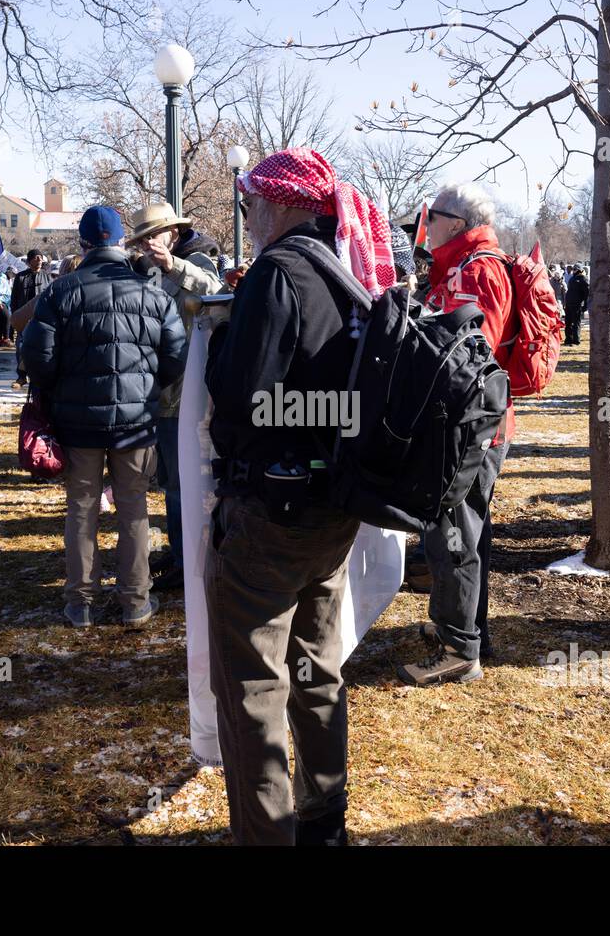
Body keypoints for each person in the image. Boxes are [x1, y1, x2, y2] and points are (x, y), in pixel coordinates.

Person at [205, 147, 395, 844]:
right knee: (319, 669)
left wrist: (224, 342)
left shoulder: (276, 274)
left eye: (254, 199)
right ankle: (325, 821)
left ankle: (269, 835)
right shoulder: (349, 273)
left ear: (283, 204)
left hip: (271, 514)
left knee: (253, 686)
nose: (249, 211)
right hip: (334, 509)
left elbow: (242, 403)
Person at [23, 206, 184, 630]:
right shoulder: (153, 293)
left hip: (78, 423)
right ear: (120, 241)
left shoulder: (60, 292)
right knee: (133, 509)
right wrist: (147, 388)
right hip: (137, 421)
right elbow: (176, 356)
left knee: (81, 507)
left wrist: (60, 391)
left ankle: (81, 602)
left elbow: (38, 358)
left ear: (83, 243)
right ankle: (135, 601)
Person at [404, 181, 511, 684]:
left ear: (458, 224)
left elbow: (469, 355)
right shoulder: (462, 266)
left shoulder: (478, 268)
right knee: (464, 527)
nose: (427, 224)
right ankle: (466, 626)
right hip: (465, 423)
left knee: (454, 529)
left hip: (468, 426)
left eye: (435, 216)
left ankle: (460, 647)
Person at [126, 202, 223, 592]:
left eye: (154, 235)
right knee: (169, 481)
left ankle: (192, 563)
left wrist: (172, 267)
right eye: (143, 239)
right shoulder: (144, 269)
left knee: (187, 484)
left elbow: (217, 297)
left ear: (173, 232)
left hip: (189, 396)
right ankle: (179, 550)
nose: (149, 244)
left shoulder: (198, 259)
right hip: (157, 392)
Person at [11, 249, 54, 390]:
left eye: (41, 258)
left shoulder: (47, 277)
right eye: (36, 258)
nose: (40, 260)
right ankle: (21, 376)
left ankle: (37, 376)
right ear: (29, 261)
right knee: (20, 347)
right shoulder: (20, 277)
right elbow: (15, 299)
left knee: (39, 347)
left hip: (41, 318)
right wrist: (16, 316)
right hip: (24, 319)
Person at [563, 264, 588, 346]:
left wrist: (585, 305)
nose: (573, 270)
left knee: (576, 323)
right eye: (573, 269)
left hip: (577, 305)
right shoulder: (572, 278)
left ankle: (576, 340)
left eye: (575, 269)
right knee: (568, 323)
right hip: (569, 304)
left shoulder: (583, 279)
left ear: (579, 270)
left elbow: (587, 294)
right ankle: (568, 339)